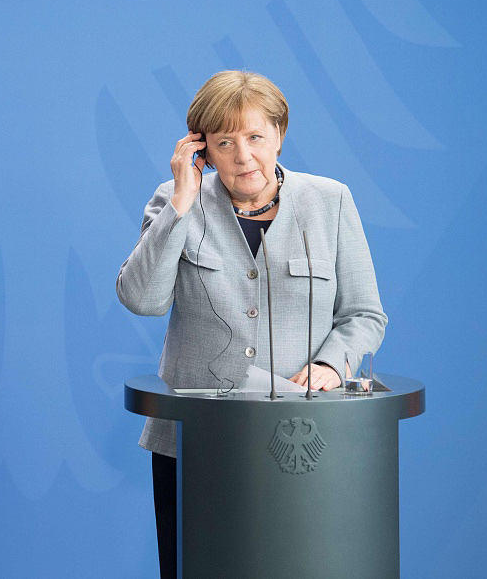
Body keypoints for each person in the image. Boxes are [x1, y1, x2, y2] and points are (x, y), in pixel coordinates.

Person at [116, 70, 386, 577]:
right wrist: (181, 203)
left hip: (302, 438)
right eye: (225, 143)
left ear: (279, 135)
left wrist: (332, 364)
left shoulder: (330, 201)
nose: (243, 156)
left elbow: (364, 314)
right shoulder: (173, 199)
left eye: (256, 137)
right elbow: (143, 300)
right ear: (201, 149)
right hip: (197, 440)